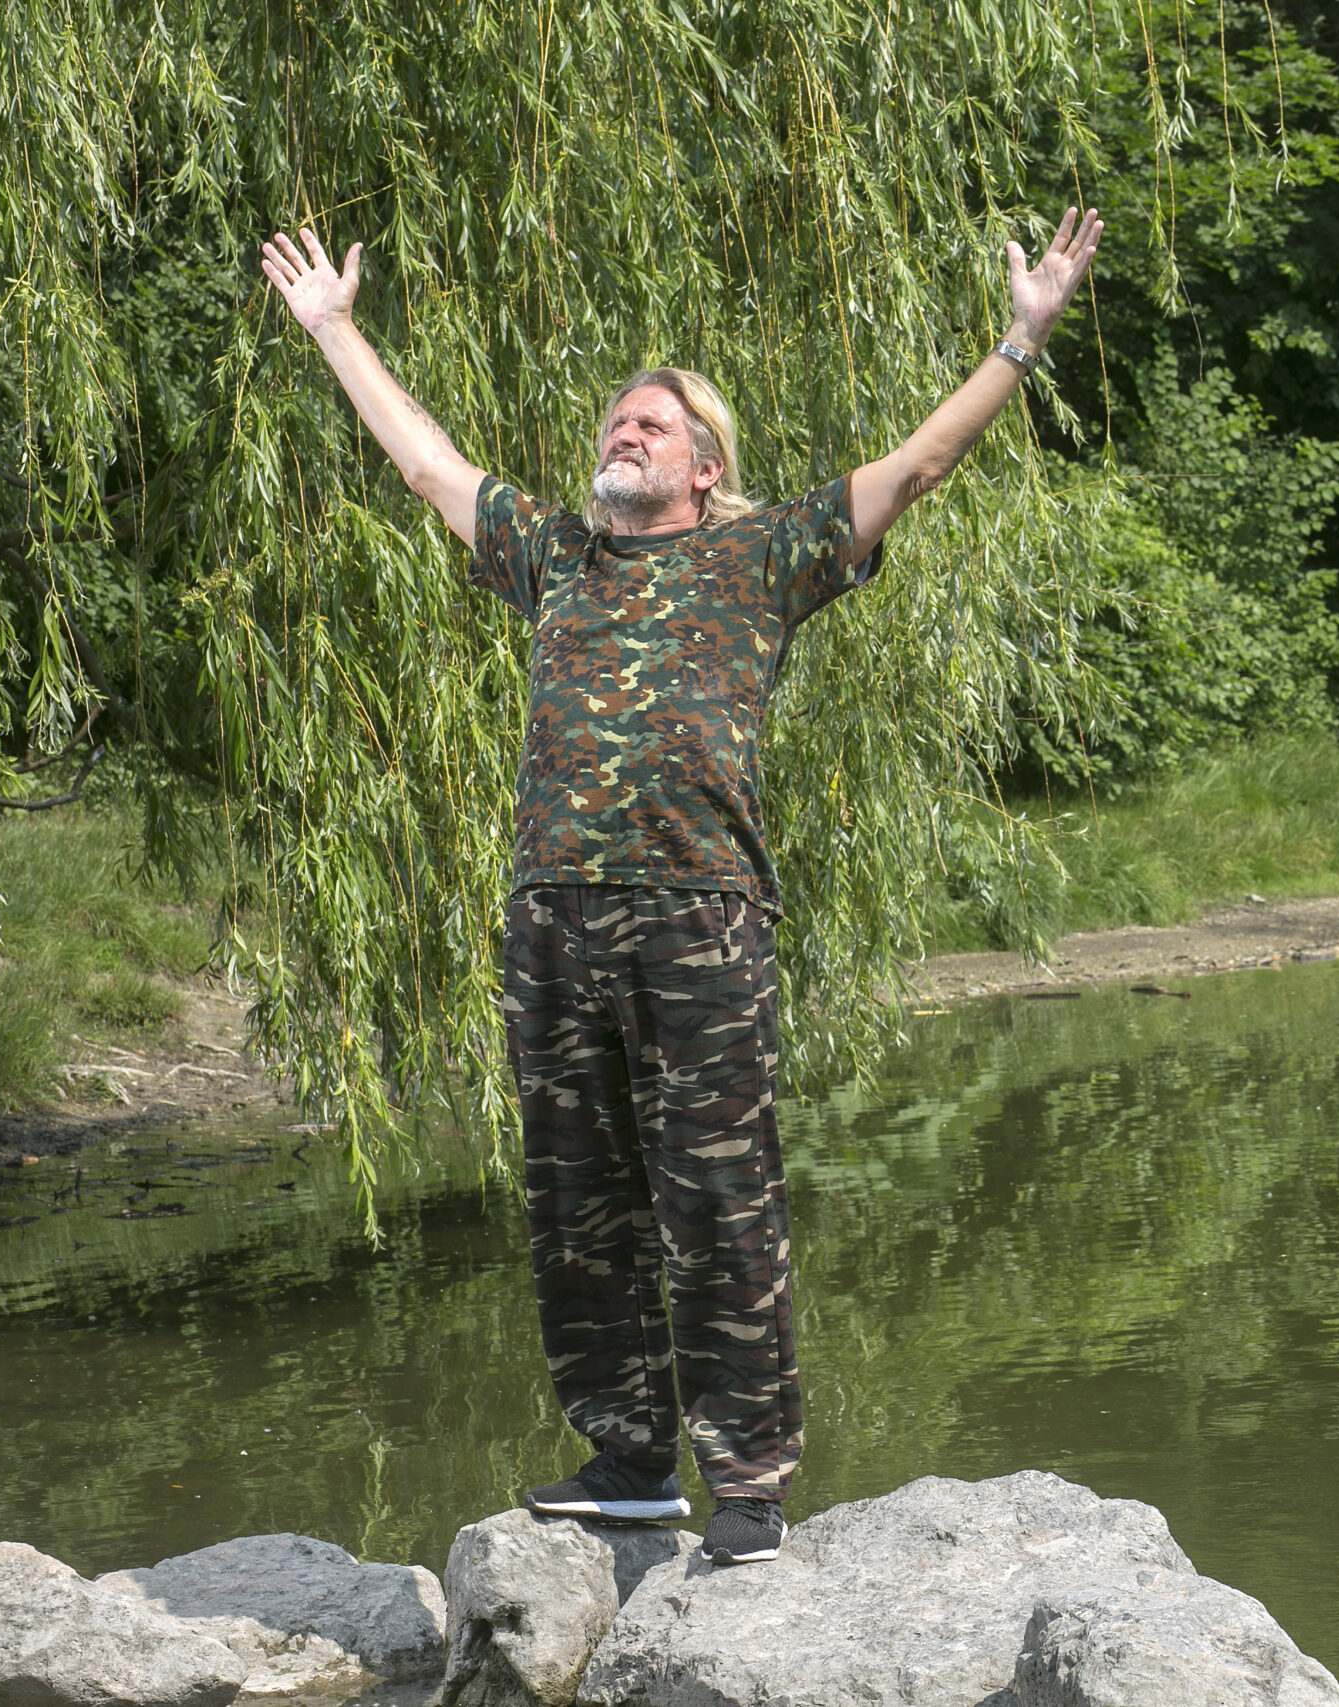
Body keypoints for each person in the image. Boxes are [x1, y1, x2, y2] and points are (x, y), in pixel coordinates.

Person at [258, 206, 1104, 1566]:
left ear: (707, 467)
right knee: (577, 1198)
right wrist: (336, 331)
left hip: (699, 920)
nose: (623, 434)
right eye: (614, 422)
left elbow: (925, 463)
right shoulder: (554, 558)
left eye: (651, 425)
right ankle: (629, 1460)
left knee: (718, 1197)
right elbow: (428, 468)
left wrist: (1023, 334)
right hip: (553, 920)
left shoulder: (758, 559)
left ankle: (750, 1483)